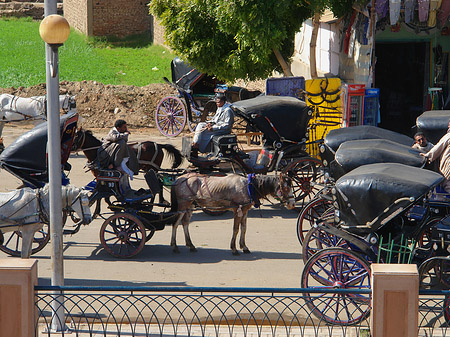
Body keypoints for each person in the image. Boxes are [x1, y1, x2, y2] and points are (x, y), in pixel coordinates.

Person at [191, 92, 234, 157]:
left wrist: (213, 128)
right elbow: (215, 120)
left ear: (223, 102)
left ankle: (196, 147)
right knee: (200, 125)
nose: (217, 104)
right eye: (216, 102)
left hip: (223, 130)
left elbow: (227, 125)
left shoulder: (227, 110)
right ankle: (195, 143)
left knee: (204, 132)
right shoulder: (220, 108)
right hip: (216, 126)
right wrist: (209, 123)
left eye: (218, 102)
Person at [421, 119, 450, 192]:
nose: (448, 126)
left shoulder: (448, 136)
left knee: (447, 185)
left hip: (448, 166)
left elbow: (437, 148)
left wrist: (427, 156)